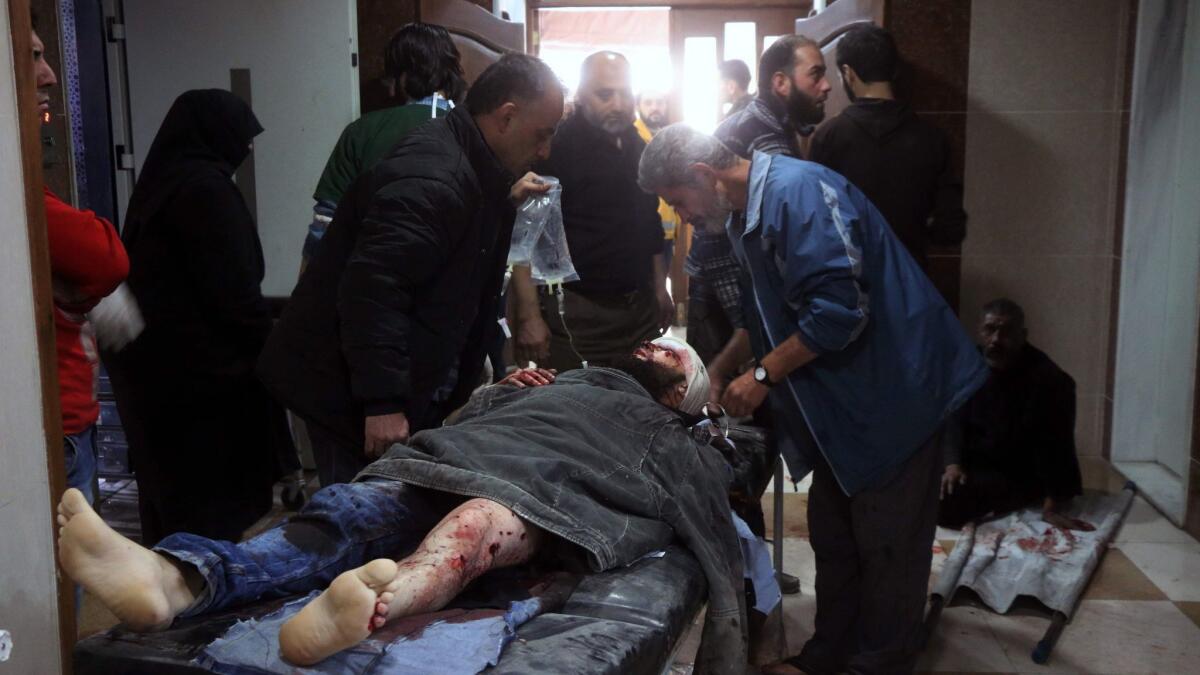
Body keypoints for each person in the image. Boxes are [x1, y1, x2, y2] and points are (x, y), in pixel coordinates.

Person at [57, 338, 751, 673]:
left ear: (676, 397)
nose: (659, 345)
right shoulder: (543, 381)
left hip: (542, 496)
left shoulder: (670, 432)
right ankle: (175, 579)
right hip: (442, 465)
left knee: (476, 527)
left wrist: (728, 633)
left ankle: (377, 604)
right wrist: (498, 390)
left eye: (673, 355)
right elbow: (457, 422)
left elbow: (708, 508)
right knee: (347, 510)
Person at [638, 124, 989, 674]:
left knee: (888, 546)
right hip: (845, 408)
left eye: (678, 201)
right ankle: (828, 654)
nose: (680, 215)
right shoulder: (743, 218)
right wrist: (720, 372)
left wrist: (762, 376)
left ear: (705, 176)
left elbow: (840, 310)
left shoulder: (795, 194)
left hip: (898, 393)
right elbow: (767, 314)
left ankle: (878, 663)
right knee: (835, 533)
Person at [257, 54, 564, 487]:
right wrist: (382, 402)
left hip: (391, 382)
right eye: (543, 134)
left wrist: (502, 201)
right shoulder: (434, 175)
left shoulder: (469, 164)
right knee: (357, 523)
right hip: (351, 396)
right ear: (506, 117)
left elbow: (446, 239)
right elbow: (374, 288)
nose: (545, 150)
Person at [103, 90, 291, 545]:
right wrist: (276, 355)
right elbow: (231, 292)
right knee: (210, 530)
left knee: (172, 522)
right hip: (208, 394)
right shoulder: (204, 191)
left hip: (160, 391)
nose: (245, 151)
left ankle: (177, 612)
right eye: (241, 139)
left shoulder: (161, 186)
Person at [509, 52, 671, 371]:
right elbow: (525, 234)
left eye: (625, 93)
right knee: (578, 411)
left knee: (638, 407)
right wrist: (529, 316)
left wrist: (659, 287)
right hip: (579, 314)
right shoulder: (557, 147)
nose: (619, 104)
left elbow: (649, 223)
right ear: (581, 95)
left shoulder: (637, 143)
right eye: (605, 94)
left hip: (639, 310)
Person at [32, 13, 129, 507]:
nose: (48, 73)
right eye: (32, 57)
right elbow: (104, 257)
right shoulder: (22, 199)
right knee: (68, 567)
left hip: (66, 416)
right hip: (57, 423)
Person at [303, 23, 466, 268]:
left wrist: (304, 296)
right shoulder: (473, 131)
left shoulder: (362, 131)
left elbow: (325, 224)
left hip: (370, 280)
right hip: (452, 284)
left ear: (401, 75)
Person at [809, 25, 966, 272]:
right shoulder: (933, 138)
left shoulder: (828, 137)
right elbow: (951, 229)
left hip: (848, 282)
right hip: (912, 278)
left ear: (848, 73)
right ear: (894, 70)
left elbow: (815, 221)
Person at [939, 299, 1089, 531]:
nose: (996, 340)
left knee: (950, 507)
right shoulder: (967, 365)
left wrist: (1051, 506)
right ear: (979, 331)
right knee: (925, 489)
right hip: (973, 463)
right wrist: (952, 464)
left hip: (1016, 470)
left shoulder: (1049, 380)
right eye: (990, 330)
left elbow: (1057, 445)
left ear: (1023, 335)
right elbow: (953, 419)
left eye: (1006, 331)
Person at [635, 89, 682, 275]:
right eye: (648, 102)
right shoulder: (633, 137)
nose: (655, 108)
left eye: (660, 102)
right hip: (642, 230)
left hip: (668, 230)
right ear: (637, 106)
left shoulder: (670, 138)